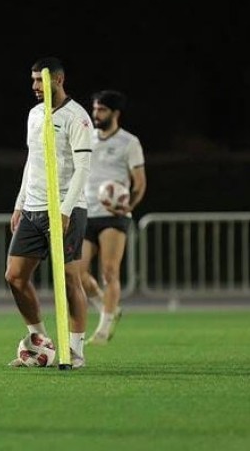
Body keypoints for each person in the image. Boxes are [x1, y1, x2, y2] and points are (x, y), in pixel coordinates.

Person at [5, 57, 93, 369]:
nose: (34, 87)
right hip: (33, 208)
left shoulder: (77, 117)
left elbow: (83, 167)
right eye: (31, 81)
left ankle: (76, 349)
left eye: (38, 81)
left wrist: (66, 210)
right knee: (15, 276)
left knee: (70, 280)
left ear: (57, 80)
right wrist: (19, 203)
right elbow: (33, 160)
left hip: (66, 208)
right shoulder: (33, 115)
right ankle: (41, 344)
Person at [80, 90, 146, 345]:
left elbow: (139, 182)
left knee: (109, 270)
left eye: (102, 110)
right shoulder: (87, 139)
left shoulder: (129, 142)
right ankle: (108, 309)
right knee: (75, 272)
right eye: (95, 109)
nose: (96, 114)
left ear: (115, 113)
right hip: (86, 212)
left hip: (113, 216)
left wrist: (127, 204)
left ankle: (104, 328)